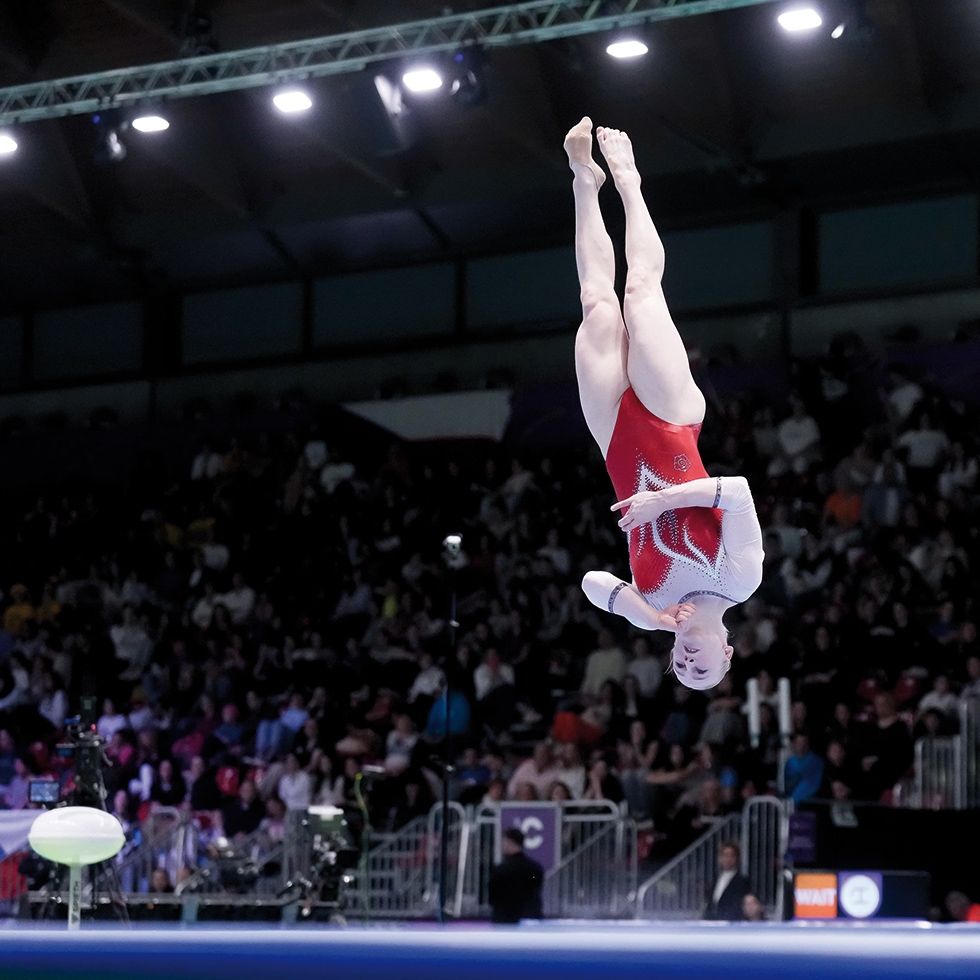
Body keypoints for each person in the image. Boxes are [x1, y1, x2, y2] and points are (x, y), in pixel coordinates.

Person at [564, 118, 764, 692]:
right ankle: (629, 181)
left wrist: (645, 617)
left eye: (681, 667)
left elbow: (592, 584)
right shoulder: (741, 580)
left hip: (614, 439)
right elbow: (738, 492)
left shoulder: (653, 602)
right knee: (640, 293)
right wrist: (663, 502)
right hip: (673, 419)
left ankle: (583, 179)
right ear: (728, 652)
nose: (686, 660)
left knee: (597, 303)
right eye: (701, 667)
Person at [487, 827, 544, 924]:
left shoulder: (501, 870)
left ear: (509, 843)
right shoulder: (535, 869)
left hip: (504, 919)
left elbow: (492, 896)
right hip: (529, 919)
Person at [703, 841, 750, 921]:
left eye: (732, 856)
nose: (728, 859)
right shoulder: (714, 879)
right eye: (725, 855)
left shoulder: (742, 881)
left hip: (731, 923)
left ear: (737, 858)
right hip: (712, 922)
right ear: (720, 858)